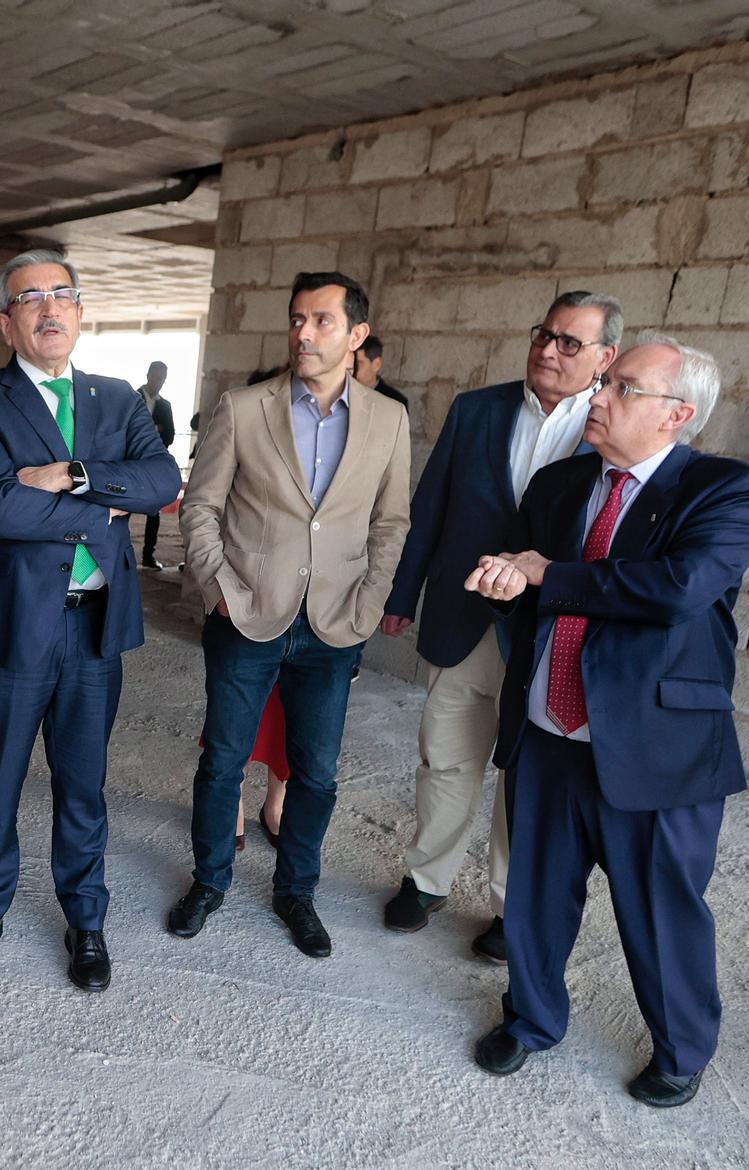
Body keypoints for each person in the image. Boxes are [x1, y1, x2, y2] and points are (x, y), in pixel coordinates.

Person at [465, 332, 749, 1109]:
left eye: (622, 387)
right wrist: (512, 576)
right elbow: (541, 585)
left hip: (654, 743)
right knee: (534, 894)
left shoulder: (726, 490)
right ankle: (530, 1016)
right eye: (605, 382)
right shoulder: (562, 484)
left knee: (661, 910)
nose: (597, 397)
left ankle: (681, 1047)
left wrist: (549, 573)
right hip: (549, 729)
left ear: (677, 413)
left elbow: (677, 588)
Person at [0, 249, 180, 991]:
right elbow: (4, 507)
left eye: (62, 295)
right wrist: (107, 501)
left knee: (84, 783)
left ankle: (86, 920)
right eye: (30, 299)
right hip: (13, 625)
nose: (49, 308)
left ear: (79, 312)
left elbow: (163, 480)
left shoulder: (116, 397)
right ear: (5, 322)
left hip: (93, 627)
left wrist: (73, 476)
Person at [171, 272, 410, 958]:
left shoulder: (388, 420)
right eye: (297, 320)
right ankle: (210, 881)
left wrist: (370, 602)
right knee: (222, 760)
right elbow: (201, 506)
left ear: (356, 335)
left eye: (322, 321)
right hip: (244, 613)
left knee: (316, 770)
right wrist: (216, 585)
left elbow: (391, 522)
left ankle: (295, 891)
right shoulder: (245, 408)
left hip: (335, 623)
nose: (303, 333)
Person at [378, 293, 624, 962]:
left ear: (605, 359)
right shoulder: (477, 409)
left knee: (526, 778)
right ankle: (426, 880)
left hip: (548, 635)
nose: (548, 350)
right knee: (447, 755)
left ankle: (510, 907)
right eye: (544, 334)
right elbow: (428, 510)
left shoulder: (609, 427)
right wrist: (402, 593)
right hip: (463, 617)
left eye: (570, 343)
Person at [138, 359, 178, 569]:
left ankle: (148, 555)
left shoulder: (165, 405)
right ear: (148, 375)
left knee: (153, 512)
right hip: (131, 462)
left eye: (163, 378)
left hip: (153, 464)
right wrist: (156, 429)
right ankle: (117, 553)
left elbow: (169, 435)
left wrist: (155, 431)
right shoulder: (131, 397)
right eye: (157, 376)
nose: (159, 381)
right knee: (121, 510)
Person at [353, 333, 409, 409]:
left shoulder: (396, 403)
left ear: (376, 364)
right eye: (351, 362)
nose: (352, 368)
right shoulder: (340, 393)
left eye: (358, 363)